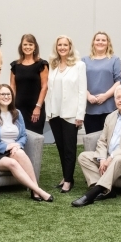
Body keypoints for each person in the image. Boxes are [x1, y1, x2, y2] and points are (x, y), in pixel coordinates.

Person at [71, 85, 121, 207]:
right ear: (115, 100)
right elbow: (102, 141)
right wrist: (102, 158)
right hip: (108, 156)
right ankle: (106, 191)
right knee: (83, 156)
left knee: (118, 159)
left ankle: (92, 194)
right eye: (118, 97)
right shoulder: (110, 116)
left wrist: (111, 157)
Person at [0, 84, 54, 202]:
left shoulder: (17, 113)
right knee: (12, 163)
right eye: (3, 94)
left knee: (20, 153)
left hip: (13, 150)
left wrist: (18, 145)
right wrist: (6, 146)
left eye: (8, 94)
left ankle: (34, 190)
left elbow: (23, 135)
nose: (6, 96)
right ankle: (39, 191)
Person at [46, 35, 87, 193]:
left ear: (70, 47)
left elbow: (82, 91)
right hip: (55, 113)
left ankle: (69, 181)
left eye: (65, 45)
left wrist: (80, 115)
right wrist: (48, 113)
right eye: (59, 45)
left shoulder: (79, 65)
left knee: (69, 148)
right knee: (61, 148)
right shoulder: (53, 65)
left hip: (71, 114)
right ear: (56, 48)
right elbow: (50, 91)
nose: (62, 47)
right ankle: (66, 175)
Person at [81, 32, 121, 134]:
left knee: (110, 140)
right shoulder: (84, 60)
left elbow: (119, 81)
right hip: (90, 108)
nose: (100, 42)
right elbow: (79, 82)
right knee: (91, 140)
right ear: (93, 42)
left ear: (108, 43)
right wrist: (88, 95)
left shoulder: (114, 60)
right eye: (98, 40)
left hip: (109, 108)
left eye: (103, 40)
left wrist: (105, 96)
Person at [10, 34, 48, 134]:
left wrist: (38, 107)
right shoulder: (15, 65)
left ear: (35, 46)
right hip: (18, 108)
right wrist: (12, 106)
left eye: (30, 44)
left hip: (35, 109)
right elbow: (12, 86)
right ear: (21, 47)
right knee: (18, 137)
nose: (28, 47)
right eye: (25, 44)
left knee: (35, 138)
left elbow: (44, 87)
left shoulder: (41, 64)